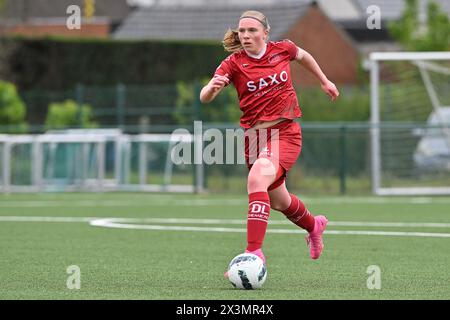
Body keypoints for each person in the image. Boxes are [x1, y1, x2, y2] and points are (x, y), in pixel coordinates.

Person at [199, 10, 339, 270]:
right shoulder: (233, 63)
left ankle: (253, 253)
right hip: (254, 138)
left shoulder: (282, 49)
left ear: (265, 32)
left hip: (285, 133)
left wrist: (324, 80)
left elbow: (303, 55)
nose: (246, 35)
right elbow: (204, 97)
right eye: (242, 31)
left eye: (252, 30)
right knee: (278, 201)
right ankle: (314, 225)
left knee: (256, 178)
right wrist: (211, 89)